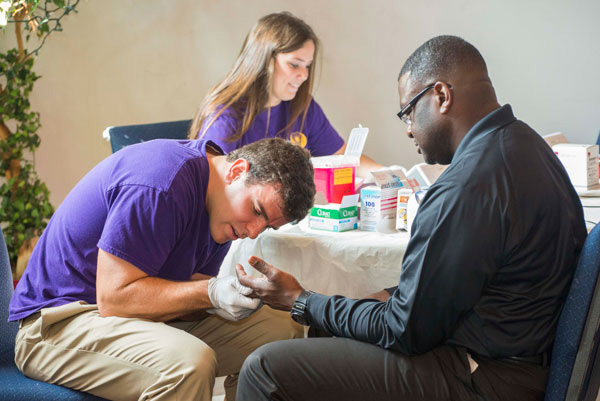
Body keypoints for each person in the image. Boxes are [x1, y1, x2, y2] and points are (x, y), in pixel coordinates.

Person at [234, 35, 587, 401]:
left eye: (408, 112)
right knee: (334, 327)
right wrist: (383, 297)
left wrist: (302, 300)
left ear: (441, 96)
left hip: (485, 377)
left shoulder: (466, 187)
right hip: (521, 358)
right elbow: (455, 285)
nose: (408, 129)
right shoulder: (526, 145)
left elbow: (404, 330)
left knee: (266, 370)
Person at [9, 137, 315, 401]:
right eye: (256, 211)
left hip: (125, 316)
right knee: (189, 363)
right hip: (56, 324)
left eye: (267, 227)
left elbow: (179, 293)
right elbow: (114, 299)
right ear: (236, 172)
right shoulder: (160, 184)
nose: (253, 231)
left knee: (280, 331)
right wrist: (210, 292)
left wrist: (232, 296)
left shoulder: (222, 209)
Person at [189, 11, 382, 177]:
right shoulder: (225, 114)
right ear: (265, 60)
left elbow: (345, 159)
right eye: (294, 64)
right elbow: (218, 187)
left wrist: (391, 175)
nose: (304, 75)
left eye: (307, 66)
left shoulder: (303, 107)